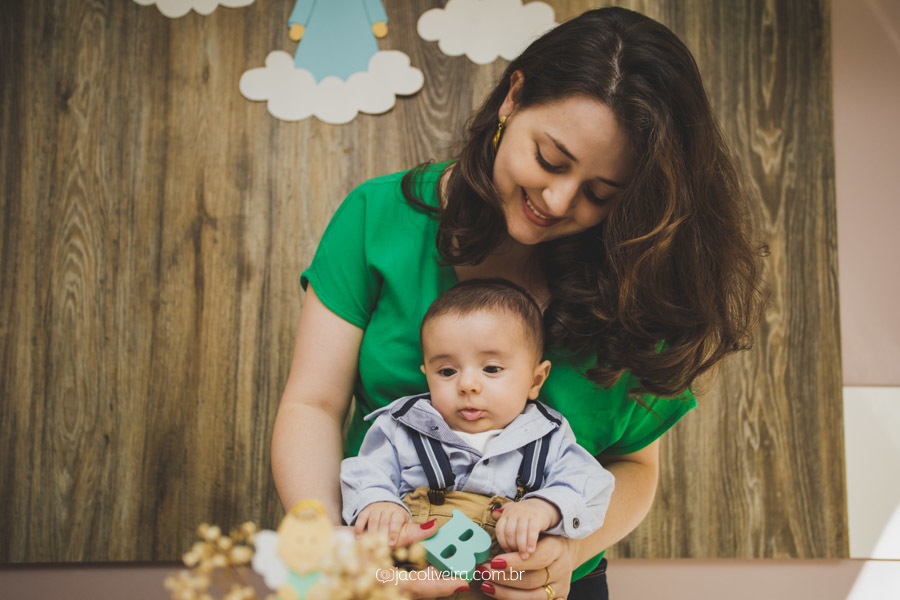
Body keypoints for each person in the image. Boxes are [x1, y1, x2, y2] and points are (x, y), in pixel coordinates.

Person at [272, 6, 763, 600]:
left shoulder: (642, 278)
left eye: (600, 193)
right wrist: (334, 548)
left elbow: (636, 466)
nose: (557, 200)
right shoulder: (378, 218)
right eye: (550, 160)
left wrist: (568, 553)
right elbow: (313, 405)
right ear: (513, 99)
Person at [341, 280, 616, 567]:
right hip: (409, 579)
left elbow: (589, 486)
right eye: (447, 371)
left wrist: (546, 507)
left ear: (535, 380)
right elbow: (365, 471)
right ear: (427, 375)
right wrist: (378, 503)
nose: (467, 384)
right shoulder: (403, 426)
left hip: (504, 582)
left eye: (491, 369)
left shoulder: (548, 436)